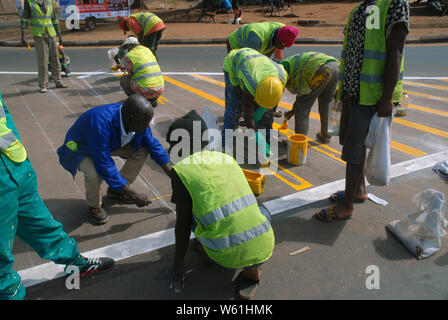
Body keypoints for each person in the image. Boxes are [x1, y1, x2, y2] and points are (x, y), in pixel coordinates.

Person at [0, 92, 114, 300]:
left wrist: (19, 158)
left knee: (43, 225)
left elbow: (4, 118)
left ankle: (75, 263)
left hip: (15, 167)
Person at [315, 0, 409, 222]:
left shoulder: (395, 3)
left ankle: (347, 205)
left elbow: (395, 52)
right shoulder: (360, 8)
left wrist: (386, 98)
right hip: (353, 92)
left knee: (354, 151)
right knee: (351, 144)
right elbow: (352, 51)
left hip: (373, 95)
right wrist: (343, 91)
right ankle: (357, 191)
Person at [167, 114, 275, 300]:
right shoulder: (226, 158)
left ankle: (212, 252)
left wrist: (178, 266)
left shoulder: (182, 171)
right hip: (264, 243)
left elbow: (183, 225)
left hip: (224, 255)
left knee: (195, 215)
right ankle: (252, 267)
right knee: (259, 210)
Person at [57, 94, 172, 225]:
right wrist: (133, 194)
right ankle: (94, 206)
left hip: (108, 143)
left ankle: (117, 191)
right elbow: (104, 164)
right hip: (81, 148)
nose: (147, 127)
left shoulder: (137, 117)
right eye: (144, 124)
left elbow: (153, 145)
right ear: (130, 119)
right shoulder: (100, 123)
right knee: (95, 173)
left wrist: (174, 176)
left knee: (143, 149)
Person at [222, 48, 288, 160]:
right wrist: (258, 138)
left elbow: (270, 106)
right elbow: (248, 117)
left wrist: (265, 111)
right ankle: (226, 144)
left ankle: (267, 138)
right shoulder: (251, 84)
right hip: (235, 63)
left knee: (266, 114)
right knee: (234, 109)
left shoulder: (282, 77)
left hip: (256, 65)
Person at [279, 52, 339, 143]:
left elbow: (302, 98)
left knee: (302, 108)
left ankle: (299, 141)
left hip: (320, 70)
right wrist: (293, 110)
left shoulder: (282, 71)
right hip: (335, 67)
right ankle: (326, 135)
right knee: (326, 104)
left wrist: (295, 109)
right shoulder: (289, 65)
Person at [21, 0, 67, 93]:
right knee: (43, 61)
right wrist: (23, 36)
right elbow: (25, 19)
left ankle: (58, 81)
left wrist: (60, 36)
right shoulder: (30, 2)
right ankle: (43, 85)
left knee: (55, 59)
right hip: (39, 35)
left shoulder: (49, 1)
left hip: (51, 33)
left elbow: (55, 20)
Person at [114, 36, 164, 109]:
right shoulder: (147, 50)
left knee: (124, 79)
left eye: (126, 47)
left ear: (129, 46)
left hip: (146, 90)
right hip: (160, 88)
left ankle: (137, 102)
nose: (126, 49)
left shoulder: (129, 56)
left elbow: (131, 75)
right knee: (147, 79)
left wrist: (125, 68)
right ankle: (153, 100)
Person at [226, 22, 298, 62]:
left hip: (258, 44)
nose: (282, 47)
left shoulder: (284, 30)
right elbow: (249, 62)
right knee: (237, 72)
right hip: (235, 43)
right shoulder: (256, 39)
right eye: (282, 44)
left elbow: (278, 56)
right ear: (277, 38)